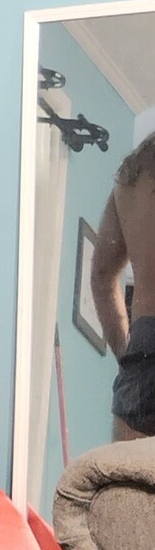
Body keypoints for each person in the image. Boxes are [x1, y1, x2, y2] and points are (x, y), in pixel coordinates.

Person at [91, 123, 155, 440]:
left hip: (142, 350)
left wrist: (126, 356)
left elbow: (102, 278)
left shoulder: (133, 172)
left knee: (127, 470)